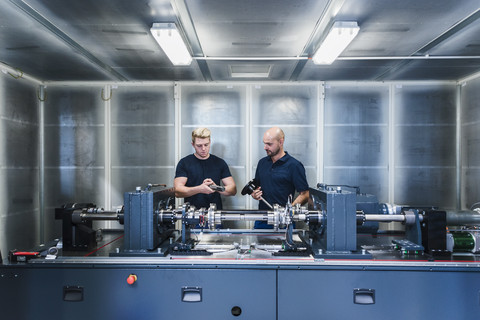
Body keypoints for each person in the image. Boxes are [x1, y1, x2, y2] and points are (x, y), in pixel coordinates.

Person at [250, 127, 309, 229]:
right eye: (264, 143)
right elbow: (257, 188)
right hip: (262, 219)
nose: (265, 147)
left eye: (269, 144)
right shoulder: (262, 163)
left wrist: (288, 211)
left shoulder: (294, 165)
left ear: (281, 142)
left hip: (284, 222)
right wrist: (254, 194)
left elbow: (305, 194)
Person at [174, 127, 237, 212]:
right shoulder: (184, 163)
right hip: (192, 216)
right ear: (193, 144)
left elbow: (232, 190)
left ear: (210, 142)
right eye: (199, 146)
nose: (203, 149)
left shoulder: (219, 163)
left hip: (215, 215)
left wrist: (216, 188)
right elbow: (177, 191)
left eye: (206, 145)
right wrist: (199, 189)